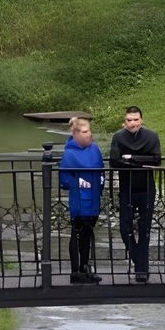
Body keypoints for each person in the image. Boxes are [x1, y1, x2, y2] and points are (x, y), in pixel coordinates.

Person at [108, 106, 161, 283]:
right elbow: (114, 162)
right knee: (125, 228)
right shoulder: (118, 137)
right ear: (124, 122)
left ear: (141, 120)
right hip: (126, 189)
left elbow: (156, 160)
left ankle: (141, 271)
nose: (132, 123)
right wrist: (140, 161)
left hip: (146, 188)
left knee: (145, 228)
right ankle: (140, 263)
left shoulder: (151, 136)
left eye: (136, 120)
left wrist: (131, 159)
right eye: (129, 120)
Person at [57, 118, 106, 284]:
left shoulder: (95, 150)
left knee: (88, 233)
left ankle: (85, 267)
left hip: (93, 198)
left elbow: (101, 172)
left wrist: (98, 186)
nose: (89, 134)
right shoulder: (69, 153)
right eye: (84, 132)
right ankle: (75, 270)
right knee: (77, 232)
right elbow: (64, 180)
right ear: (75, 133)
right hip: (79, 200)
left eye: (89, 131)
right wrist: (79, 182)